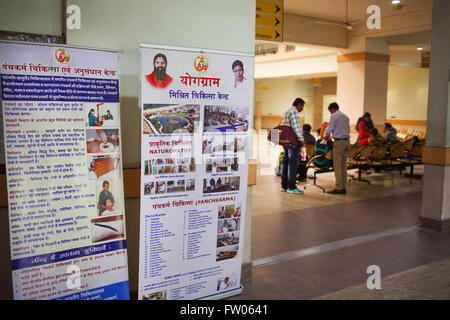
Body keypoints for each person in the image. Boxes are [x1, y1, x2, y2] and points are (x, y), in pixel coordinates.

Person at [279, 98, 306, 194]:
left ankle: (284, 186)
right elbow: (296, 127)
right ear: (299, 104)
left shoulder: (286, 112)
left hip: (285, 141)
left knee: (285, 163)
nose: (302, 109)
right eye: (302, 106)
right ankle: (292, 187)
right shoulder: (294, 112)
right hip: (293, 141)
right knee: (293, 164)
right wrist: (301, 139)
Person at [323, 102, 350, 195]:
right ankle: (344, 187)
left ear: (332, 109)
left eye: (330, 111)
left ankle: (339, 187)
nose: (330, 113)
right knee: (343, 165)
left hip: (339, 142)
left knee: (337, 165)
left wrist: (325, 137)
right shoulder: (346, 117)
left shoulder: (334, 116)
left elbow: (329, 128)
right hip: (347, 142)